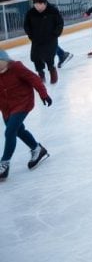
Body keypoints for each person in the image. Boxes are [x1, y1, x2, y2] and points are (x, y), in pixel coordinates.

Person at [0, 49, 52, 181]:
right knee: (18, 131)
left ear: (6, 61)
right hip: (6, 108)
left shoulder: (16, 67)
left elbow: (34, 79)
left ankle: (4, 163)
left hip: (22, 103)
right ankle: (37, 149)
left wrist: (43, 94)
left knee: (10, 132)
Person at [23, 0, 64, 84]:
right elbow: (26, 25)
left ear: (44, 4)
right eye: (35, 6)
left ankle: (52, 71)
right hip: (36, 40)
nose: (37, 8)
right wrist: (30, 35)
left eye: (39, 6)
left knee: (49, 57)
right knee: (35, 57)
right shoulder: (31, 13)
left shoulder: (52, 11)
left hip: (50, 39)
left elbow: (60, 23)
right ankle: (41, 74)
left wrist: (55, 33)